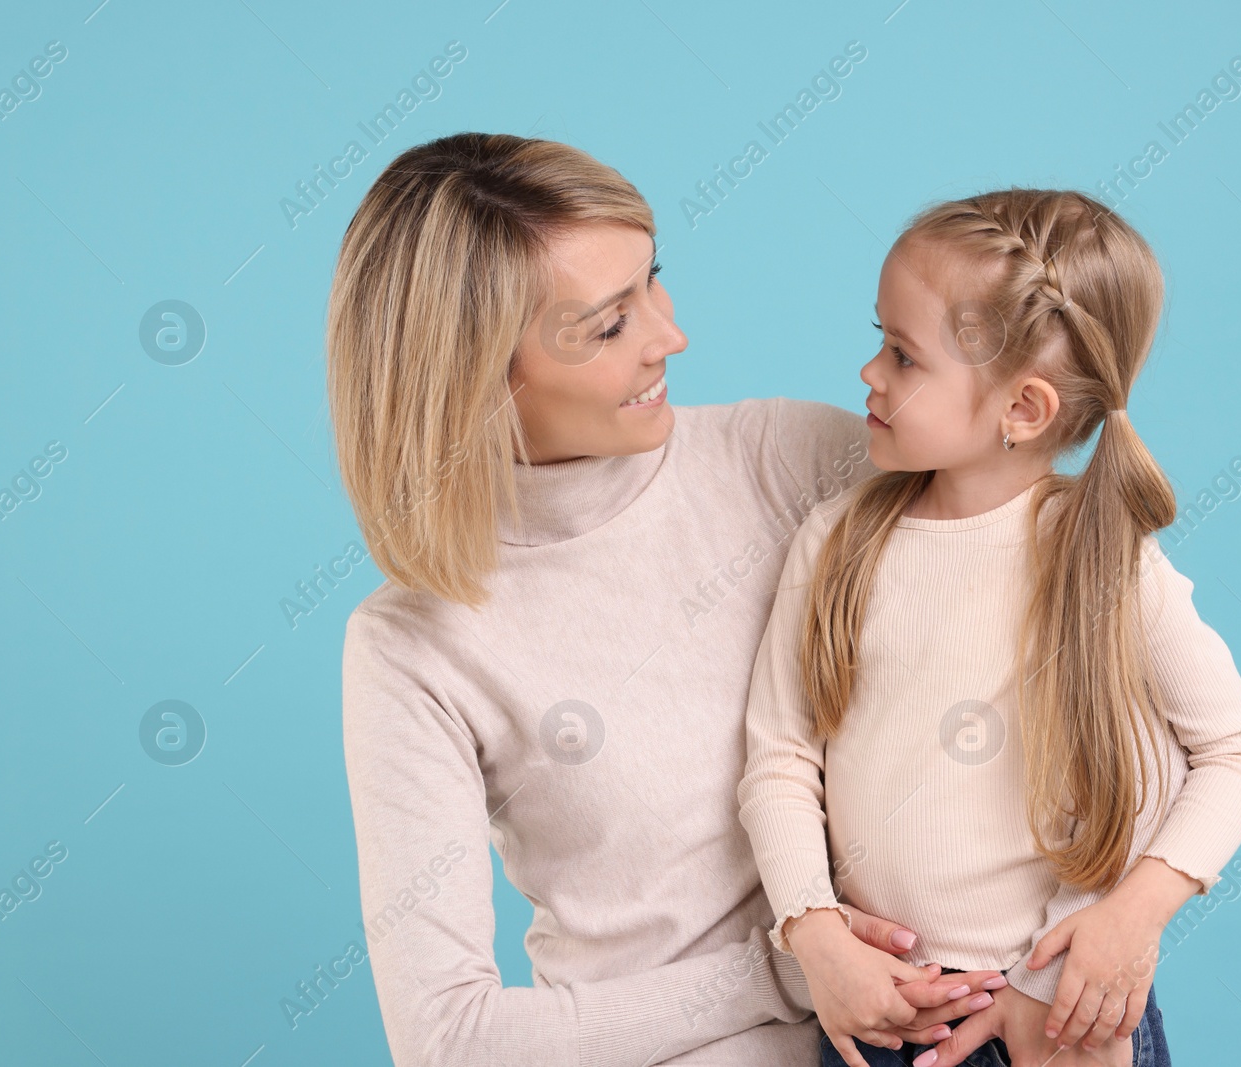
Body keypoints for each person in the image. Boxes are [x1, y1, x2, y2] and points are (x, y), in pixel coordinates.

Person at [326, 132, 1015, 1066]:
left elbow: (1072, 607)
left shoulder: (790, 461)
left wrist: (1119, 917)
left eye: (654, 279)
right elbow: (448, 1039)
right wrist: (785, 968)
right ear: (475, 377)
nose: (669, 335)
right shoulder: (413, 645)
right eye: (609, 326)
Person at [737, 190, 1241, 1067]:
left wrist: (1127, 921)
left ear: (1022, 411)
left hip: (1063, 1014)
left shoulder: (1105, 564)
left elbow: (1236, 753)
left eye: (904, 356)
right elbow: (779, 757)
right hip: (888, 1015)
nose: (870, 373)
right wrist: (817, 935)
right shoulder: (834, 541)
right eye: (879, 339)